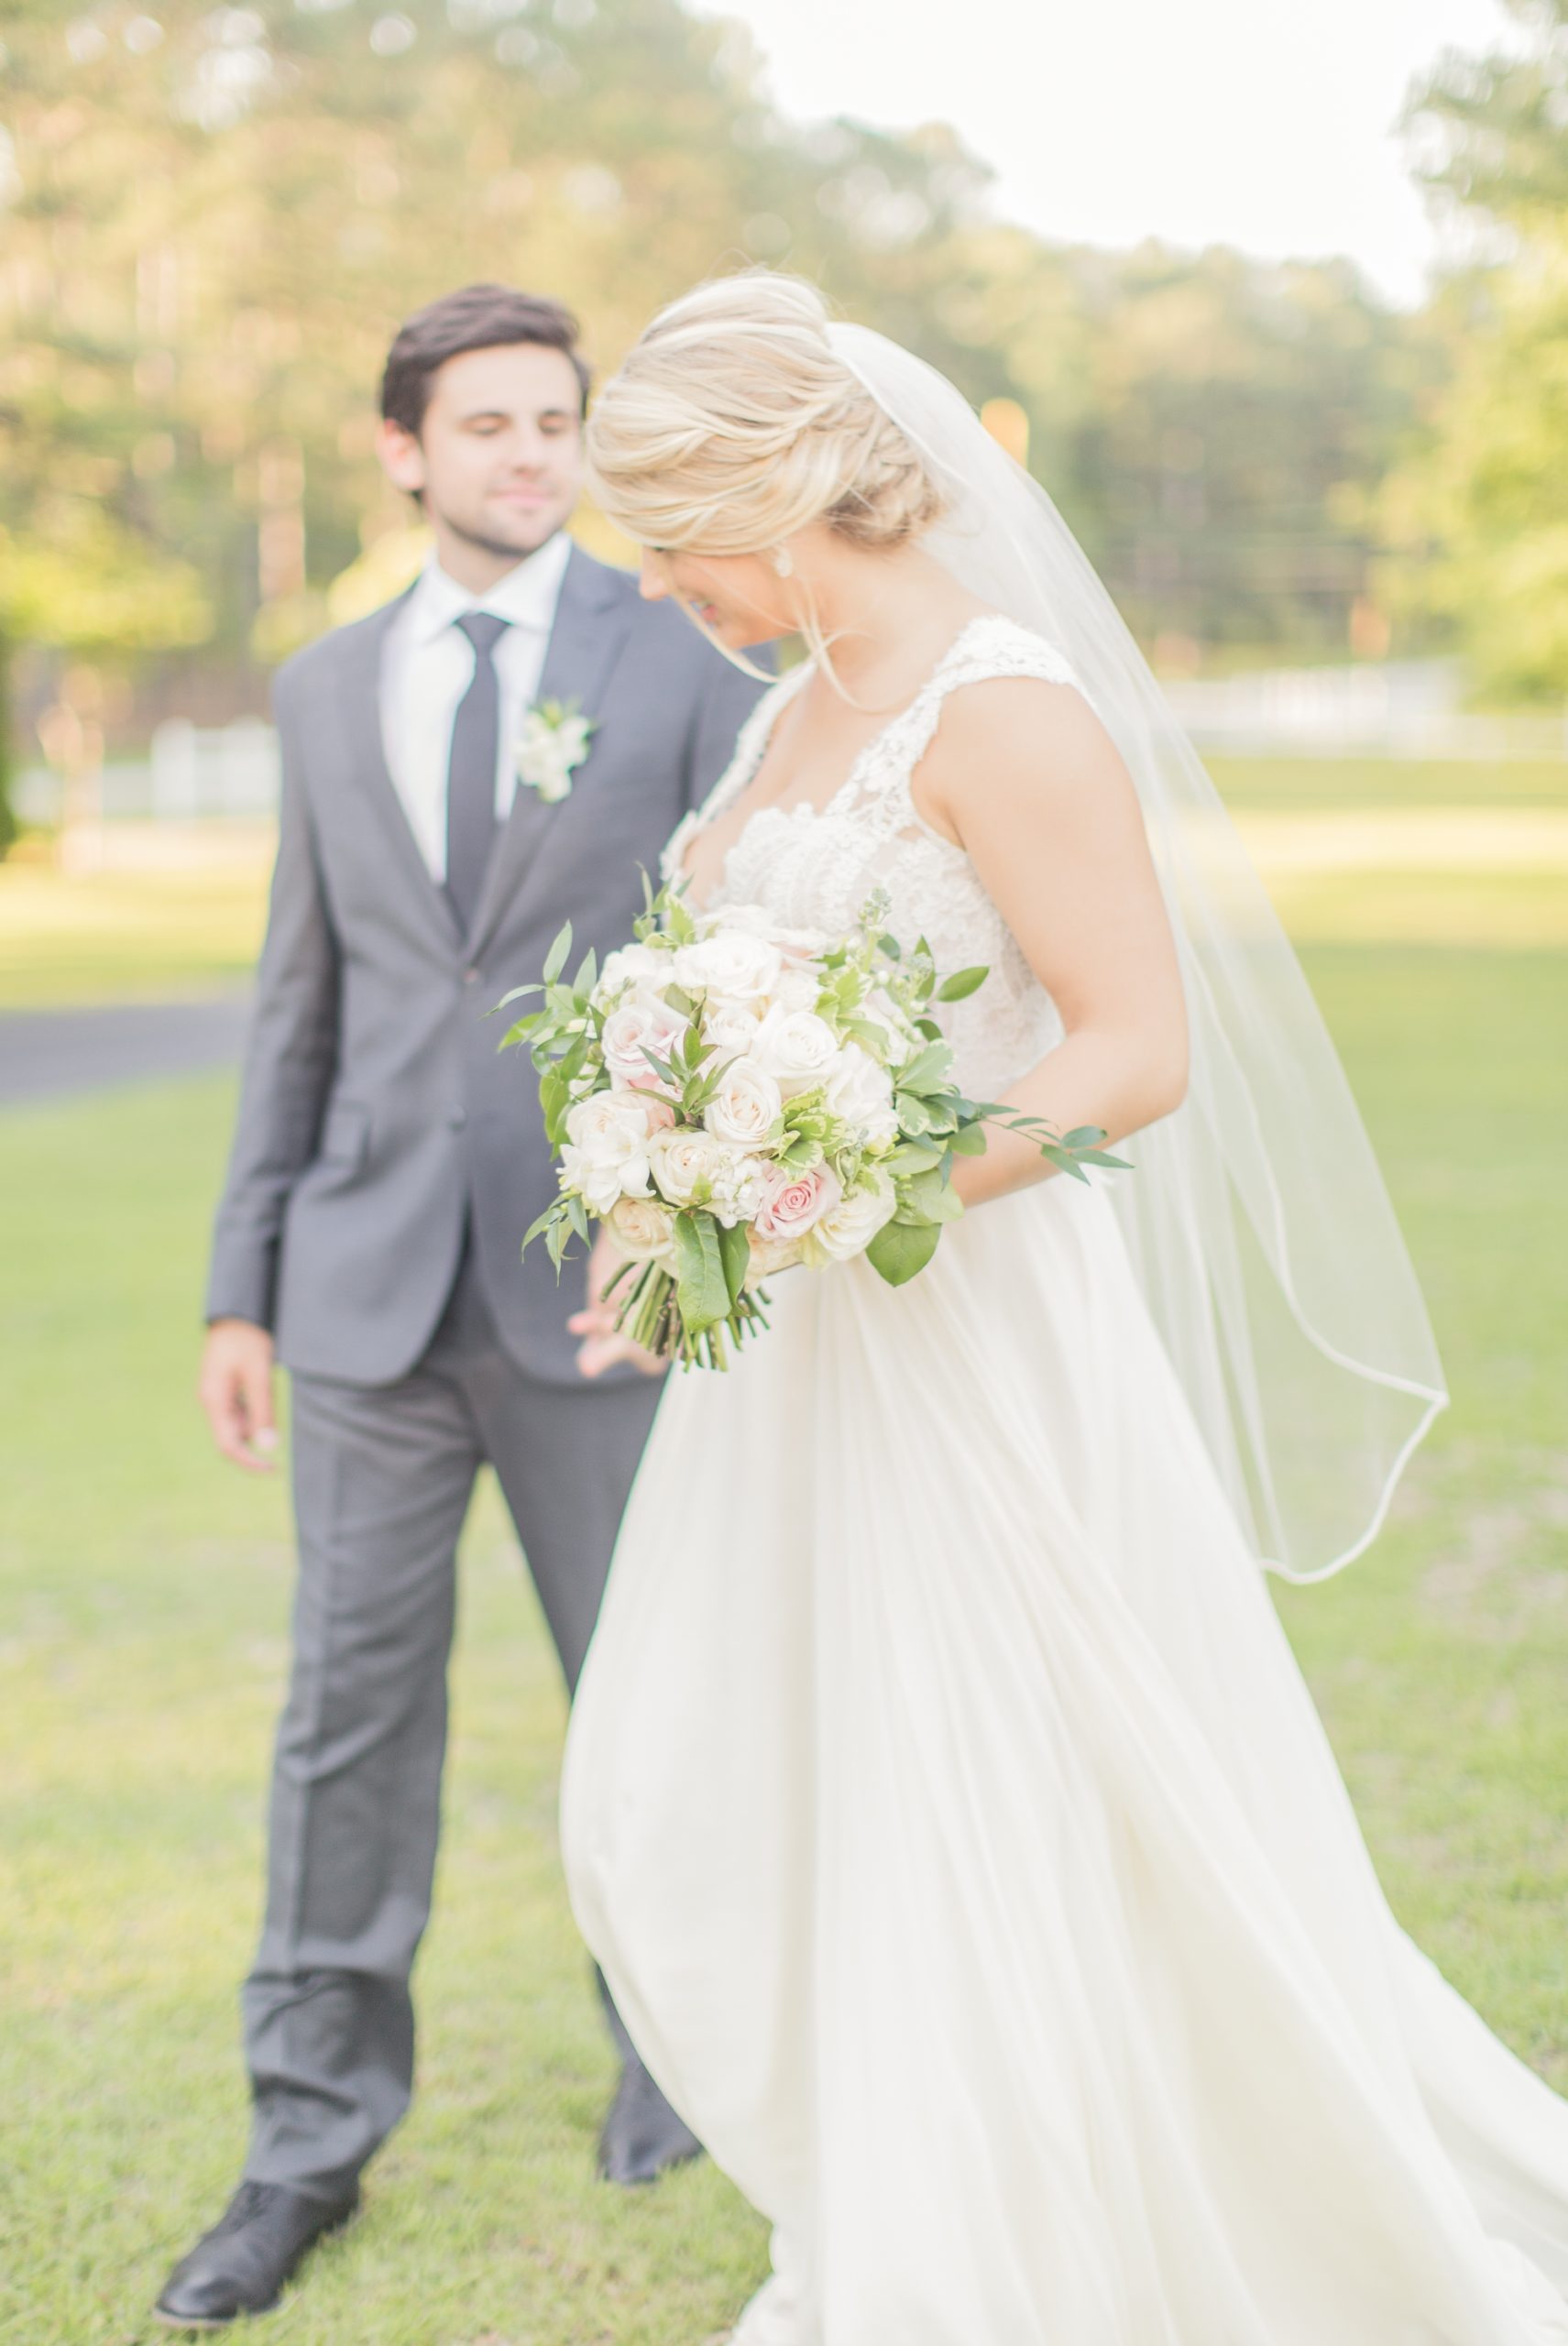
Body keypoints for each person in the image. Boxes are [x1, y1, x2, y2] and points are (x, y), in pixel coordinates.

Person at [563, 272, 1568, 2343]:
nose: (667, 592)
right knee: (738, 1771)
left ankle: (1011, 2253)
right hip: (802, 1356)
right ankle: (917, 2188)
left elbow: (1130, 1047)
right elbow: (730, 996)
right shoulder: (792, 699)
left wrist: (845, 1188)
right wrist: (673, 1192)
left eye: (673, 548)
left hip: (976, 1332)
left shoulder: (1000, 707)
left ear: (768, 498)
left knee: (994, 1772)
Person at [153, 284, 767, 2332]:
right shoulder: (325, 687)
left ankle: (682, 2057)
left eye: (554, 421)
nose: (530, 453)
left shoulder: (684, 654)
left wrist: (680, 1234)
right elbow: (301, 996)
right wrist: (241, 1283)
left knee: (647, 1692)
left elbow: (741, 969)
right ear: (402, 450)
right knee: (346, 1717)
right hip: (359, 1299)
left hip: (599, 1292)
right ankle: (303, 2140)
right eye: (488, 423)